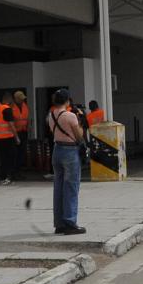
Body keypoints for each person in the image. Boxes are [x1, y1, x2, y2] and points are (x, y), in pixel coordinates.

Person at [48, 89, 86, 235]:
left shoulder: (51, 115)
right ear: (67, 100)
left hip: (57, 150)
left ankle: (59, 224)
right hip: (70, 152)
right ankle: (70, 222)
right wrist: (80, 119)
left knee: (58, 187)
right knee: (71, 187)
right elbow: (79, 136)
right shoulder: (70, 116)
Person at [0, 92, 18, 185]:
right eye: (11, 100)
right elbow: (11, 124)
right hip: (7, 137)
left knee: (3, 157)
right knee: (10, 157)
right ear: (8, 99)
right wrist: (16, 137)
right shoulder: (7, 109)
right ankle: (8, 177)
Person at [11, 91, 30, 175]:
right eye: (20, 99)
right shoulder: (11, 107)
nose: (22, 100)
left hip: (23, 132)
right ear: (16, 99)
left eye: (23, 99)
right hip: (15, 133)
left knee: (22, 153)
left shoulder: (25, 106)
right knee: (15, 153)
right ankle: (13, 172)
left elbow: (26, 119)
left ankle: (18, 171)